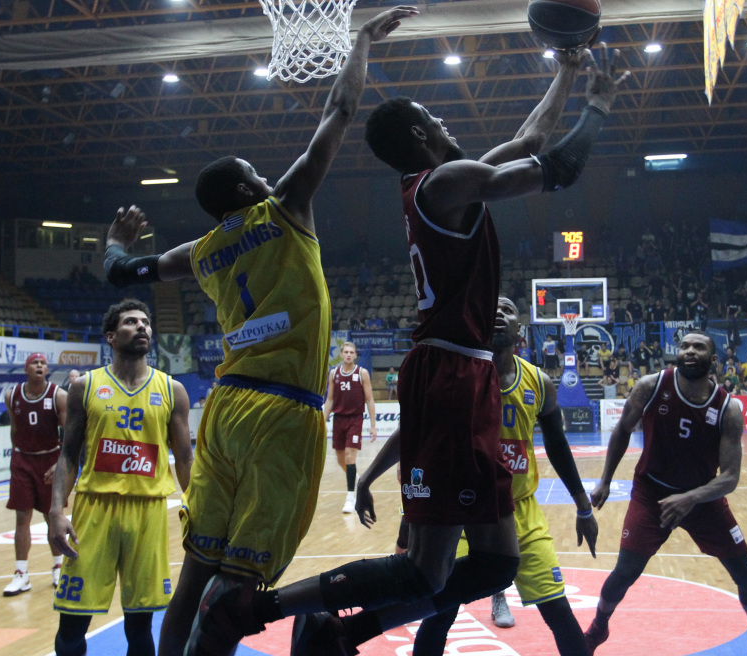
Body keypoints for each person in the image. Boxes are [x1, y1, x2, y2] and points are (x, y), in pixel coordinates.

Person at [186, 41, 628, 656]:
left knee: (497, 563)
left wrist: (569, 73)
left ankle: (343, 627)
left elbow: (528, 137)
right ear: (422, 133)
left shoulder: (443, 183)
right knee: (427, 567)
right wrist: (598, 108)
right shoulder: (445, 183)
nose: (449, 125)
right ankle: (255, 606)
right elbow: (553, 169)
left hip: (457, 369)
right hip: (449, 370)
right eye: (438, 119)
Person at [98, 9, 420, 656]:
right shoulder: (286, 206)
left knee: (194, 575)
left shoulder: (201, 250)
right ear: (248, 186)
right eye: (256, 171)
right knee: (239, 588)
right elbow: (340, 110)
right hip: (282, 411)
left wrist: (111, 242)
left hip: (225, 411)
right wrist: (359, 41)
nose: (268, 176)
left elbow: (120, 272)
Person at [411, 297, 597, 656]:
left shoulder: (539, 382)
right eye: (490, 305)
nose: (498, 312)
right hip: (463, 510)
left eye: (508, 309)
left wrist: (583, 505)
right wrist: (412, 514)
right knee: (440, 613)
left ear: (520, 330)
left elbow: (558, 447)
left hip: (519, 511)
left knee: (558, 610)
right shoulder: (457, 375)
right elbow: (423, 444)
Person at [584, 333, 747, 656]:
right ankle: (597, 629)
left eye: (699, 347)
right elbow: (623, 429)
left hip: (702, 499)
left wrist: (691, 498)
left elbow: (731, 478)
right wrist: (605, 480)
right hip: (652, 495)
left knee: (745, 572)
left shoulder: (727, 409)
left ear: (713, 360)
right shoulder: (650, 387)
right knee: (625, 571)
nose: (690, 351)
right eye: (685, 347)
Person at [47, 300, 192, 656]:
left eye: (146, 321)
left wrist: (198, 506)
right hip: (94, 511)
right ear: (111, 337)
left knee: (140, 626)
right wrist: (55, 512)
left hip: (148, 513)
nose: (142, 327)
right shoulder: (86, 386)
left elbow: (185, 459)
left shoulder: (172, 390)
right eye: (131, 322)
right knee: (72, 623)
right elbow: (69, 454)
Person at [2, 353, 69, 597]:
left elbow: (69, 435)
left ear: (47, 369)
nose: (39, 366)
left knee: (52, 516)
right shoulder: (13, 395)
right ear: (26, 368)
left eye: (42, 363)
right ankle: (21, 574)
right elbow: (14, 429)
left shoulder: (58, 395)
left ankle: (58, 567)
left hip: (50, 459)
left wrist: (62, 463)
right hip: (22, 459)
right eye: (34, 363)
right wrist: (15, 458)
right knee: (22, 517)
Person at [323, 341, 378, 513]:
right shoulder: (334, 373)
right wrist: (322, 421)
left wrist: (373, 425)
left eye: (351, 352)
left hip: (355, 418)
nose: (348, 354)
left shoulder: (362, 373)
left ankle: (350, 497)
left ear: (355, 355)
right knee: (340, 458)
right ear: (341, 354)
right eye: (345, 352)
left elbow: (369, 399)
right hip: (338, 419)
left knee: (349, 455)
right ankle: (358, 480)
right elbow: (330, 399)